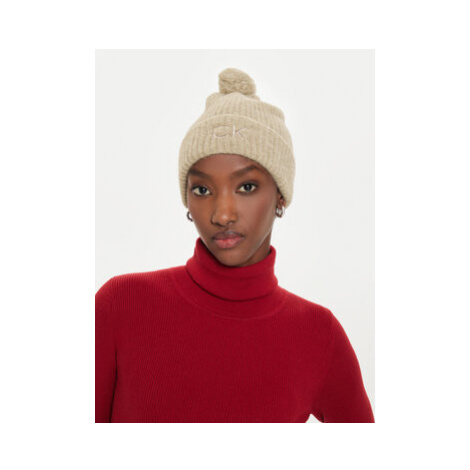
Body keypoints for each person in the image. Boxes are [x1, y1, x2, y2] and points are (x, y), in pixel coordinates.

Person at [95, 67, 375, 423]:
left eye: (246, 187)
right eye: (202, 190)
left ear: (280, 196)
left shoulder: (318, 334)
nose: (222, 214)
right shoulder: (122, 305)